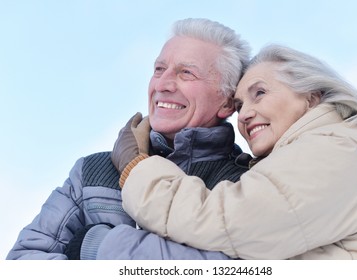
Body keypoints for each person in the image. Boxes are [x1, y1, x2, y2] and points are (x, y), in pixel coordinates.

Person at [6, 18, 251, 260]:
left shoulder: (247, 185)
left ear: (227, 102)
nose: (162, 84)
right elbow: (24, 261)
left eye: (186, 73)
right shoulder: (92, 172)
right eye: (158, 69)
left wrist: (97, 247)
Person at [119, 44, 357, 259]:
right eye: (238, 105)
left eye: (259, 93)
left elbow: (227, 221)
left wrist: (136, 167)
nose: (245, 114)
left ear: (311, 97)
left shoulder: (339, 148)